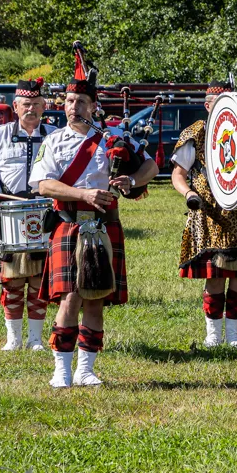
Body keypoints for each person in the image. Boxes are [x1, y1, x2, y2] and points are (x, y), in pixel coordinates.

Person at [30, 62, 158, 388]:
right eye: (70, 101)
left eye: (81, 102)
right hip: (69, 224)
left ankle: (86, 370)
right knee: (70, 297)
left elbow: (151, 167)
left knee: (95, 298)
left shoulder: (113, 137)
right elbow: (43, 184)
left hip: (104, 226)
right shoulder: (54, 141)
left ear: (93, 106)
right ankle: (61, 370)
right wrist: (82, 194)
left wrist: (131, 180)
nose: (74, 107)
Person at [0, 78, 56, 351]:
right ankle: (13, 339)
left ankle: (35, 340)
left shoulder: (55, 135)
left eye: (36, 104)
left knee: (39, 279)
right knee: (12, 279)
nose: (31, 109)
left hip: (45, 213)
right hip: (9, 214)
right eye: (26, 104)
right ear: (15, 106)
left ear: (44, 106)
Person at [171, 81, 237, 348]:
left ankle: (234, 336)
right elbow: (178, 174)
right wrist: (188, 194)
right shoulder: (195, 133)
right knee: (215, 277)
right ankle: (213, 336)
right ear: (208, 106)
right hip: (208, 213)